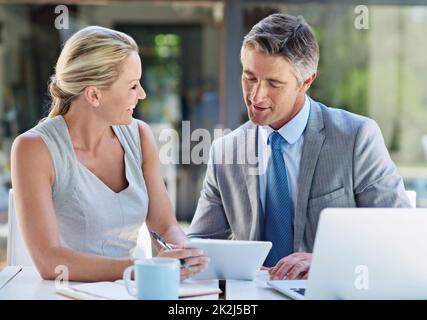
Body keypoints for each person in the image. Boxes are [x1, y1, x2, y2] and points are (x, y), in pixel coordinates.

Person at [187, 13, 411, 281]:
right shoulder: (225, 151)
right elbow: (200, 246)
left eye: (274, 83)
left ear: (306, 81)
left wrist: (327, 261)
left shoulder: (355, 138)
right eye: (250, 77)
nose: (256, 95)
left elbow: (399, 234)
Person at [11, 26, 208, 282]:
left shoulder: (140, 136)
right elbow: (50, 261)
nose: (142, 94)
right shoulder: (34, 148)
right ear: (94, 94)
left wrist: (184, 253)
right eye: (133, 86)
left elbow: (165, 225)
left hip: (127, 290)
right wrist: (140, 270)